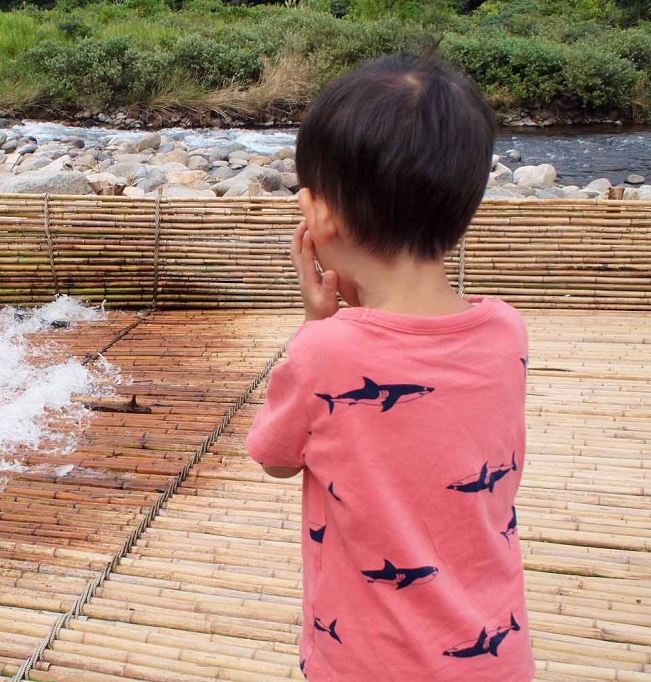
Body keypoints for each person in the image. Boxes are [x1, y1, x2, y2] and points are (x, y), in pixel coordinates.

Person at [246, 53, 534, 682]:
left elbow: (273, 456)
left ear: (316, 214)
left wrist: (317, 322)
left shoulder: (327, 351)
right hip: (497, 655)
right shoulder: (506, 330)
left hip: (367, 660)